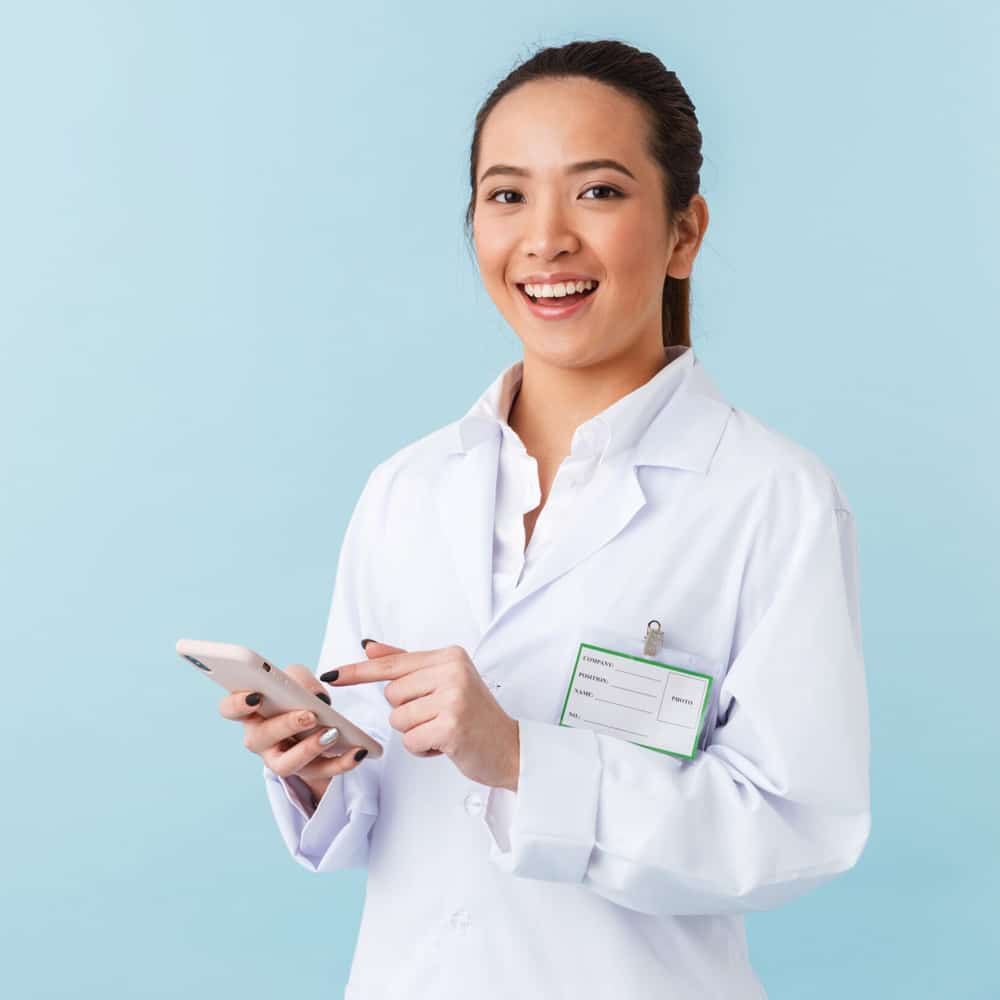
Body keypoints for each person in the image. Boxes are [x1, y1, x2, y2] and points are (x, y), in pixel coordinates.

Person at [217, 39, 871, 999]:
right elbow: (386, 812)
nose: (546, 239)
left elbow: (795, 831)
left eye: (598, 192)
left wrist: (522, 756)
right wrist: (318, 767)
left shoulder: (771, 497)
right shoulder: (407, 488)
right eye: (507, 195)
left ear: (684, 232)